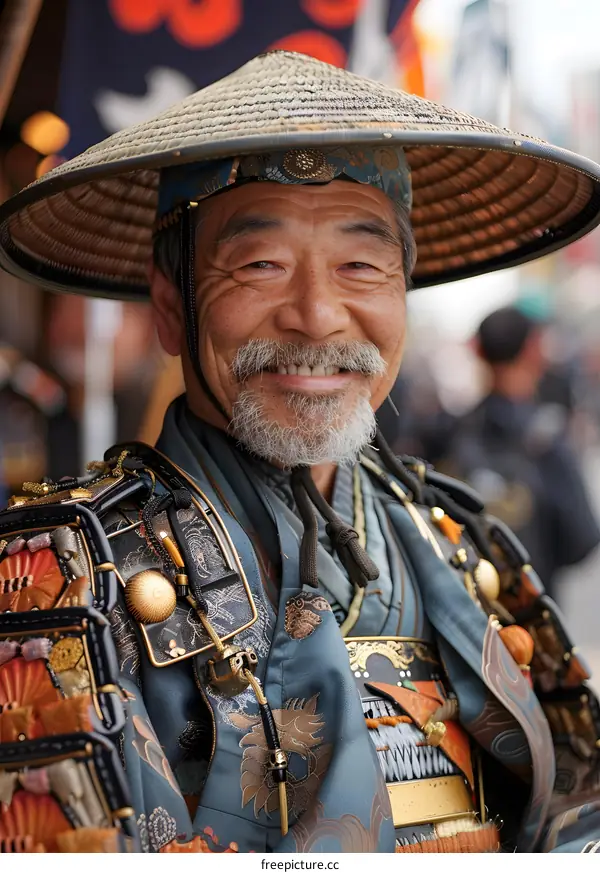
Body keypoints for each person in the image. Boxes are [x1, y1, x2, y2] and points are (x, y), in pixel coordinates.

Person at [0, 52, 599, 855]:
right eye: (260, 264)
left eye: (361, 264)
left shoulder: (456, 540)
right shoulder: (67, 575)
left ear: (402, 294)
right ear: (172, 309)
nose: (318, 316)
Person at [443, 307, 600, 598]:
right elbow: (582, 541)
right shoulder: (548, 440)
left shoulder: (447, 433)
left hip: (461, 612)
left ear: (478, 351)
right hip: (531, 622)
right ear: (533, 350)